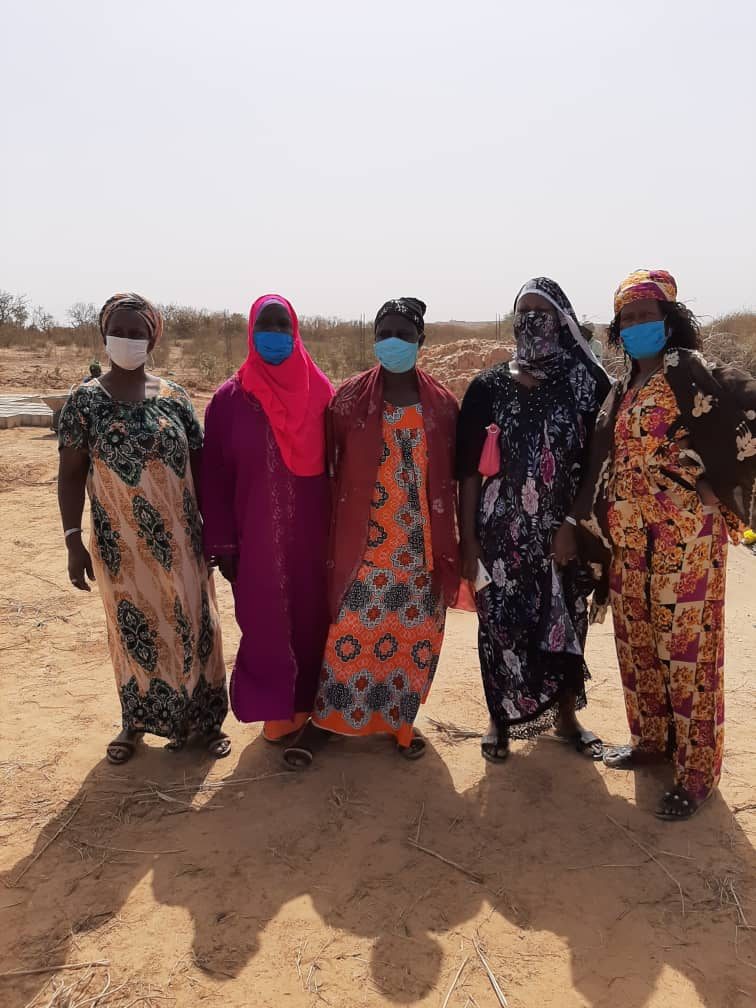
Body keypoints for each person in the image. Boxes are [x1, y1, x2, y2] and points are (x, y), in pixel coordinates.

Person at [571, 268, 756, 820]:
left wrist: (713, 483)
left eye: (644, 317)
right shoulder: (624, 385)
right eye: (626, 319)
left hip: (684, 542)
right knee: (639, 650)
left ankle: (697, 774)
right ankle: (652, 744)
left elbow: (746, 411)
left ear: (668, 320)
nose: (634, 326)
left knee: (689, 658)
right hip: (631, 544)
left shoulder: (688, 370)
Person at [284, 297, 460, 768]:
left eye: (404, 334)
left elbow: (453, 478)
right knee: (350, 634)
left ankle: (400, 726)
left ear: (421, 340)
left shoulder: (442, 405)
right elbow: (327, 471)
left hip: (422, 550)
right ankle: (324, 725)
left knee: (412, 640)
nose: (394, 342)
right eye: (385, 333)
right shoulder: (347, 400)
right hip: (365, 546)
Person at [57, 293, 229, 764]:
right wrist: (73, 541)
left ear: (153, 337)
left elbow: (201, 467)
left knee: (195, 625)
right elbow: (71, 475)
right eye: (120, 330)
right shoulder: (84, 402)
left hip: (182, 544)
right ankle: (136, 722)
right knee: (134, 633)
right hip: (120, 547)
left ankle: (205, 723)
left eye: (138, 332)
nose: (128, 339)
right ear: (103, 334)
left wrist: (215, 533)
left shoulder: (174, 398)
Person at [457, 278, 611, 763]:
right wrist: (468, 540)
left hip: (563, 534)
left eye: (541, 313)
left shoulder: (589, 385)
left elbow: (597, 465)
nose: (530, 322)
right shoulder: (488, 386)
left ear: (562, 320)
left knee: (566, 621)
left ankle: (566, 719)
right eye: (522, 312)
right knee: (500, 626)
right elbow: (465, 471)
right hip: (499, 535)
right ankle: (499, 720)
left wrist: (572, 523)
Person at [201, 295, 333, 742]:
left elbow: (340, 465)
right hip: (254, 539)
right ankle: (277, 716)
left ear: (295, 331)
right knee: (264, 622)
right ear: (251, 332)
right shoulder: (228, 401)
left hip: (313, 539)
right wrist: (222, 545)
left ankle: (310, 709)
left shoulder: (321, 393)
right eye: (265, 325)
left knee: (314, 619)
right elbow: (213, 476)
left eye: (282, 325)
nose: (274, 334)